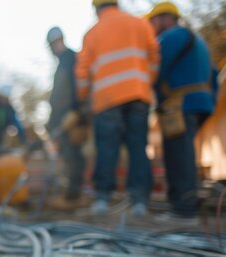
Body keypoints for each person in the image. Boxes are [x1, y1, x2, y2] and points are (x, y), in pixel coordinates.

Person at [76, 0, 160, 215]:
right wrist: (144, 82)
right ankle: (139, 200)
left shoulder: (92, 33)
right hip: (138, 93)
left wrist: (83, 98)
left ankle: (102, 197)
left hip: (107, 99)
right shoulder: (139, 24)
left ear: (96, 8)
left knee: (107, 148)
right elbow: (154, 56)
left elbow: (83, 72)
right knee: (137, 146)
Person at [145, 1, 219, 224]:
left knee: (179, 156)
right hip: (201, 104)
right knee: (186, 153)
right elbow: (214, 77)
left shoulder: (170, 38)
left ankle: (184, 211)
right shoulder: (200, 42)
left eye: (153, 21)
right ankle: (186, 207)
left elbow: (154, 69)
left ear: (166, 18)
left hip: (180, 105)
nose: (152, 26)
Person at [45, 26, 86, 208]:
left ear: (58, 41)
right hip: (62, 117)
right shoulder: (62, 62)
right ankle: (69, 191)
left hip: (71, 115)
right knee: (65, 153)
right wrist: (51, 122)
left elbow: (78, 87)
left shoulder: (71, 59)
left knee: (73, 153)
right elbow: (57, 96)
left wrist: (77, 111)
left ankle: (73, 194)